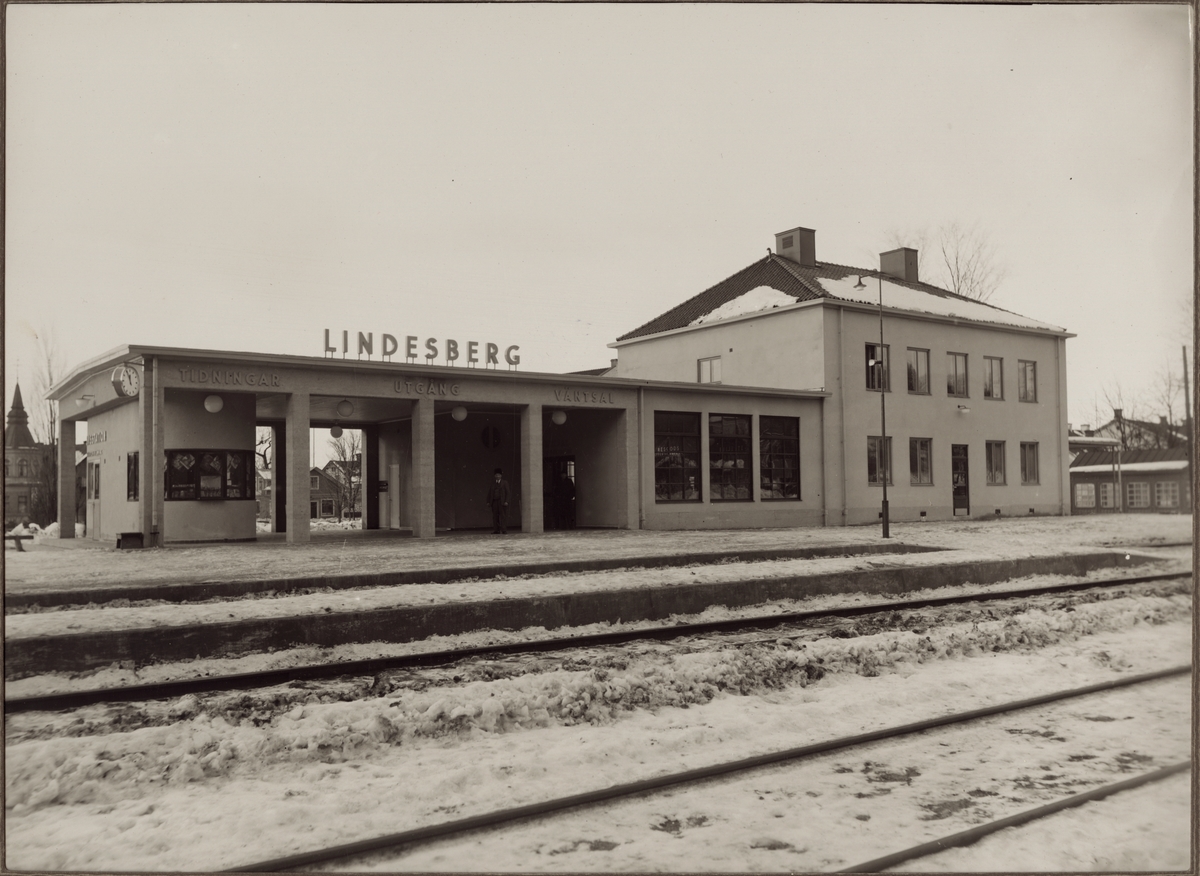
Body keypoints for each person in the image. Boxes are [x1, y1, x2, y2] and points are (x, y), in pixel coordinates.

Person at [485, 468, 510, 534]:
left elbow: (508, 493)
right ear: (494, 476)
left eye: (499, 475)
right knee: (495, 516)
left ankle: (504, 530)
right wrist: (488, 501)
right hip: (494, 502)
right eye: (496, 475)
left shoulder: (505, 483)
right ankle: (496, 530)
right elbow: (489, 493)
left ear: (501, 476)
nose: (497, 476)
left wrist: (506, 501)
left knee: (503, 516)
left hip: (502, 502)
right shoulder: (493, 483)